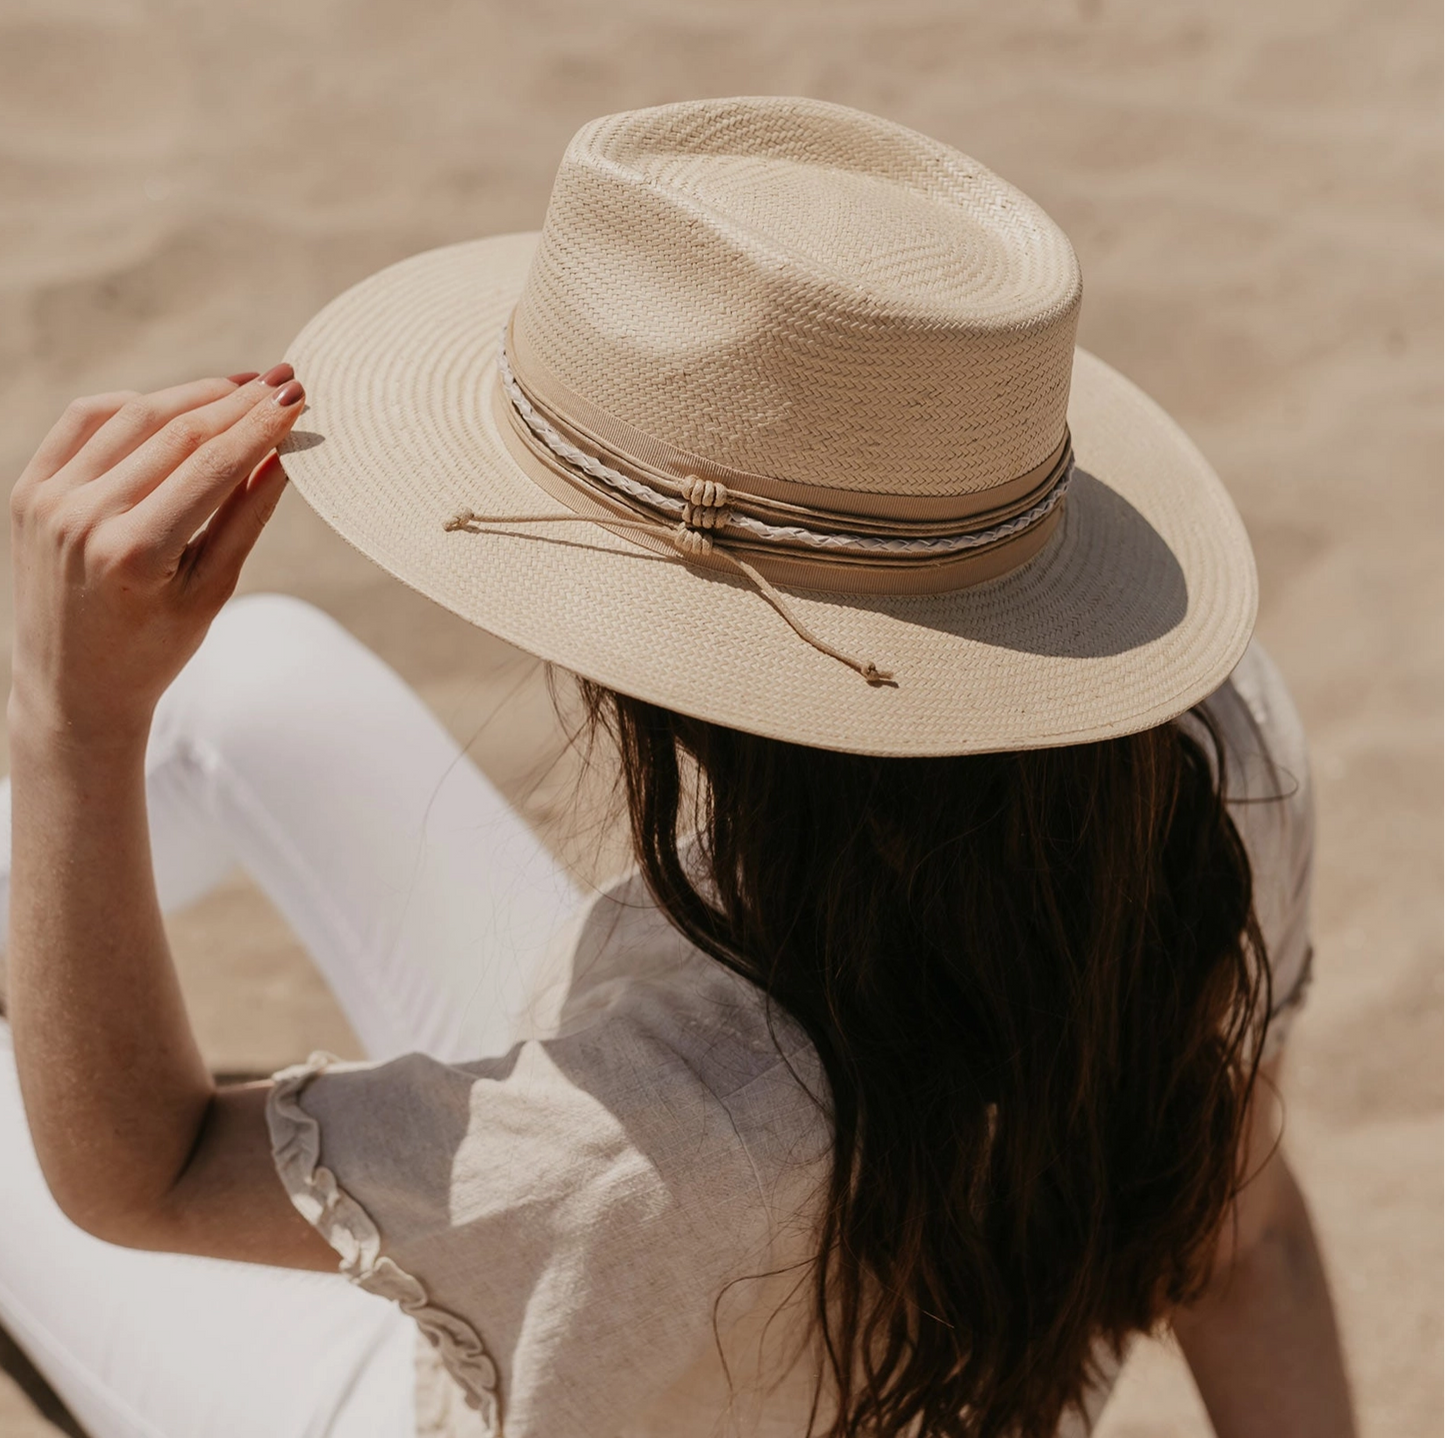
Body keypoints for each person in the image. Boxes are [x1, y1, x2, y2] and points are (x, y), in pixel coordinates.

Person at [0, 97, 1355, 1438]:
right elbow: (1246, 1247)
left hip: (573, 1315)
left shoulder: (652, 1138)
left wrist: (76, 733)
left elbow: (145, 1170)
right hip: (760, 1301)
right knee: (260, 680)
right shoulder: (1207, 767)